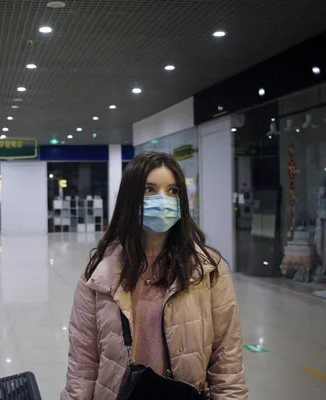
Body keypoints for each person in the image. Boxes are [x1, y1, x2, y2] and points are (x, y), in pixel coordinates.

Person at [61, 152, 248, 400]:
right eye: (150, 189)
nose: (163, 199)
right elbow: (82, 365)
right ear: (130, 198)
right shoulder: (99, 274)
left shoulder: (207, 270)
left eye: (172, 191)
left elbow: (227, 361)